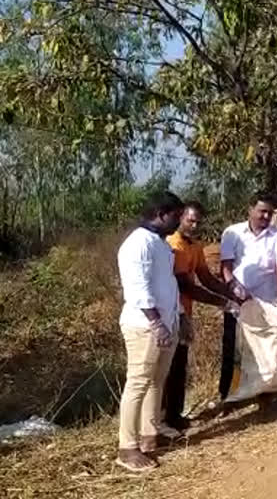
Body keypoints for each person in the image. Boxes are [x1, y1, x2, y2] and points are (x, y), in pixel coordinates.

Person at [116, 191, 185, 472]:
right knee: (138, 383)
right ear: (160, 214)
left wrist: (180, 317)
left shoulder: (160, 244)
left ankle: (149, 435)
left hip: (166, 324)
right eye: (175, 216)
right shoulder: (137, 244)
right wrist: (156, 323)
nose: (178, 222)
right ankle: (127, 448)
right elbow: (138, 288)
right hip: (144, 326)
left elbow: (168, 285)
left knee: (157, 381)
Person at [163, 202, 233, 432]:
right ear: (180, 218)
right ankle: (165, 418)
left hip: (185, 313)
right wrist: (222, 302)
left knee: (180, 365)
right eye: (189, 220)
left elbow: (205, 278)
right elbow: (186, 286)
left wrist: (232, 293)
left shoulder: (194, 246)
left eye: (197, 222)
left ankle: (175, 415)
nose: (193, 225)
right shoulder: (174, 245)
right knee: (169, 368)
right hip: (170, 312)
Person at [218, 192, 277, 400]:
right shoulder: (232, 233)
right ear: (250, 210)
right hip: (238, 301)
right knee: (233, 348)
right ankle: (228, 394)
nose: (266, 217)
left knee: (266, 349)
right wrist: (233, 287)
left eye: (270, 213)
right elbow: (226, 266)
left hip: (267, 302)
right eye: (262, 212)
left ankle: (264, 392)